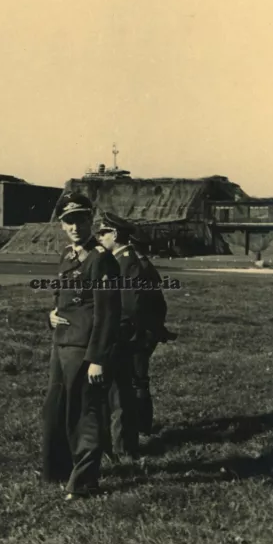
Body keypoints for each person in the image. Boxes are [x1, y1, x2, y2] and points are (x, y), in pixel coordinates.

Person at [41, 192, 121, 501]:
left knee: (85, 414)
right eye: (68, 221)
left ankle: (84, 483)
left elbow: (108, 314)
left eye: (80, 220)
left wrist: (98, 358)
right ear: (61, 225)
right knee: (55, 411)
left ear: (91, 221)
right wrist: (51, 315)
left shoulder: (101, 259)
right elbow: (61, 296)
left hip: (84, 349)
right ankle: (57, 471)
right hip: (61, 344)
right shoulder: (67, 256)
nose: (75, 227)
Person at [96, 211, 146, 459]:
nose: (100, 237)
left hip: (120, 337)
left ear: (115, 234)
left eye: (103, 232)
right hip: (115, 335)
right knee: (113, 392)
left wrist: (116, 335)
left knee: (120, 393)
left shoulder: (126, 261)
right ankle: (115, 445)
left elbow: (129, 306)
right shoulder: (120, 259)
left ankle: (124, 448)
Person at [130, 233, 177, 436]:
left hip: (142, 333)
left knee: (138, 380)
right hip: (147, 331)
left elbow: (145, 306)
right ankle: (142, 425)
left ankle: (142, 426)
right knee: (138, 379)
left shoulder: (140, 269)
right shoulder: (145, 267)